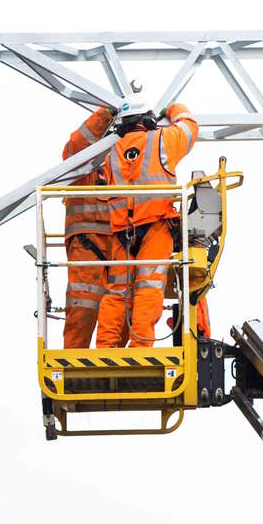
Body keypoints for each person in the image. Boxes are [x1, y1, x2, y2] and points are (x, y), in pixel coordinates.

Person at [94, 99, 199, 348]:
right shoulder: (162, 140)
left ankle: (105, 347)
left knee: (117, 292)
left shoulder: (110, 153)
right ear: (149, 120)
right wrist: (175, 107)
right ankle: (140, 347)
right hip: (155, 226)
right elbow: (190, 127)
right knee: (148, 288)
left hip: (121, 233)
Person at [61, 107, 117, 349]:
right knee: (82, 308)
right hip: (88, 244)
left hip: (120, 243)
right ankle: (73, 367)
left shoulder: (126, 157)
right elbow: (74, 146)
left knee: (119, 312)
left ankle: (114, 368)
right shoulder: (82, 160)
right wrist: (107, 114)